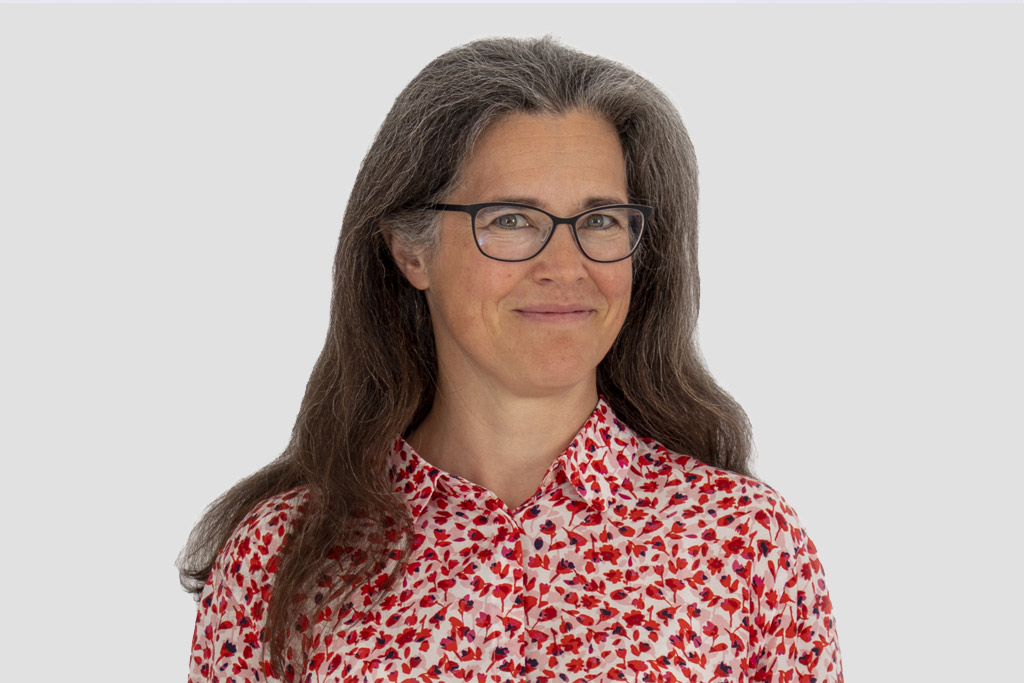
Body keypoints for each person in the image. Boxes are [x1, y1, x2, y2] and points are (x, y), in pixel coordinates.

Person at [180, 36, 843, 683]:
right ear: (411, 251)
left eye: (601, 220)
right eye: (511, 220)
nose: (566, 267)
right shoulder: (277, 559)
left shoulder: (746, 542)